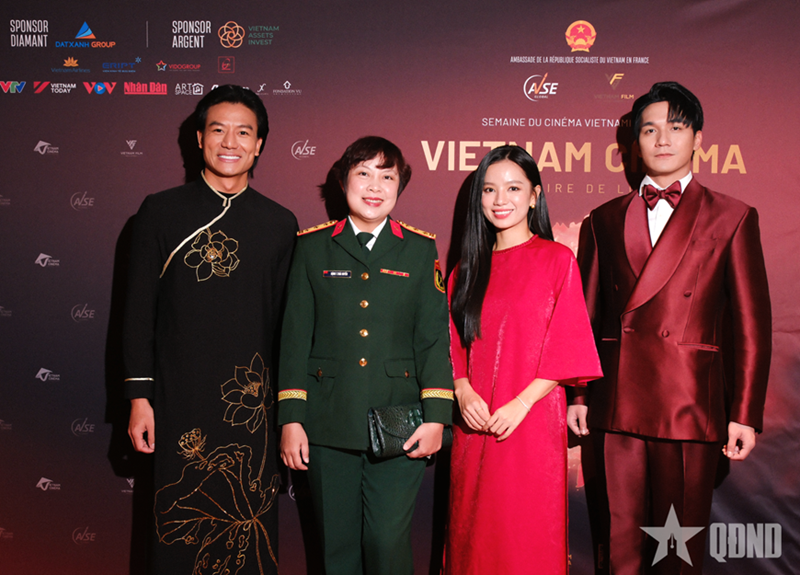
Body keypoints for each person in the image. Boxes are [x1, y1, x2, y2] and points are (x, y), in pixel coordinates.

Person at [569, 81, 771, 574]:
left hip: (689, 405)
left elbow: (751, 324)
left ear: (698, 138)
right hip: (615, 404)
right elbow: (585, 320)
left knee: (677, 555)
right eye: (650, 130)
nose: (662, 139)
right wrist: (579, 394)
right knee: (617, 547)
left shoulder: (733, 216)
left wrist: (744, 413)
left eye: (676, 128)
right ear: (634, 143)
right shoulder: (602, 220)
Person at [124, 85, 298, 574]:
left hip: (252, 408)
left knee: (248, 532)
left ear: (259, 144)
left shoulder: (279, 223)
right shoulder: (160, 211)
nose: (230, 142)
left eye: (244, 132)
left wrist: (289, 412)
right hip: (178, 399)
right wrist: (140, 398)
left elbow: (289, 327)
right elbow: (137, 311)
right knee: (179, 531)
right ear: (199, 138)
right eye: (218, 130)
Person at [278, 136, 454, 575]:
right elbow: (294, 338)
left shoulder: (419, 249)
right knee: (335, 549)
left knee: (386, 542)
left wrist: (437, 417)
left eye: (387, 177)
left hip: (400, 424)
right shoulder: (312, 247)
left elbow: (433, 340)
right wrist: (291, 419)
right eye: (364, 174)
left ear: (399, 187)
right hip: (326, 421)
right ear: (343, 182)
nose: (375, 187)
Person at [446, 145, 602, 574]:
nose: (500, 199)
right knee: (472, 536)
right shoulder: (465, 270)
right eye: (489, 189)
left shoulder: (557, 260)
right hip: (475, 424)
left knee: (527, 535)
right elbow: (449, 344)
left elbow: (568, 345)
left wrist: (522, 402)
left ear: (534, 196)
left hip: (531, 423)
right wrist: (462, 390)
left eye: (514, 188)